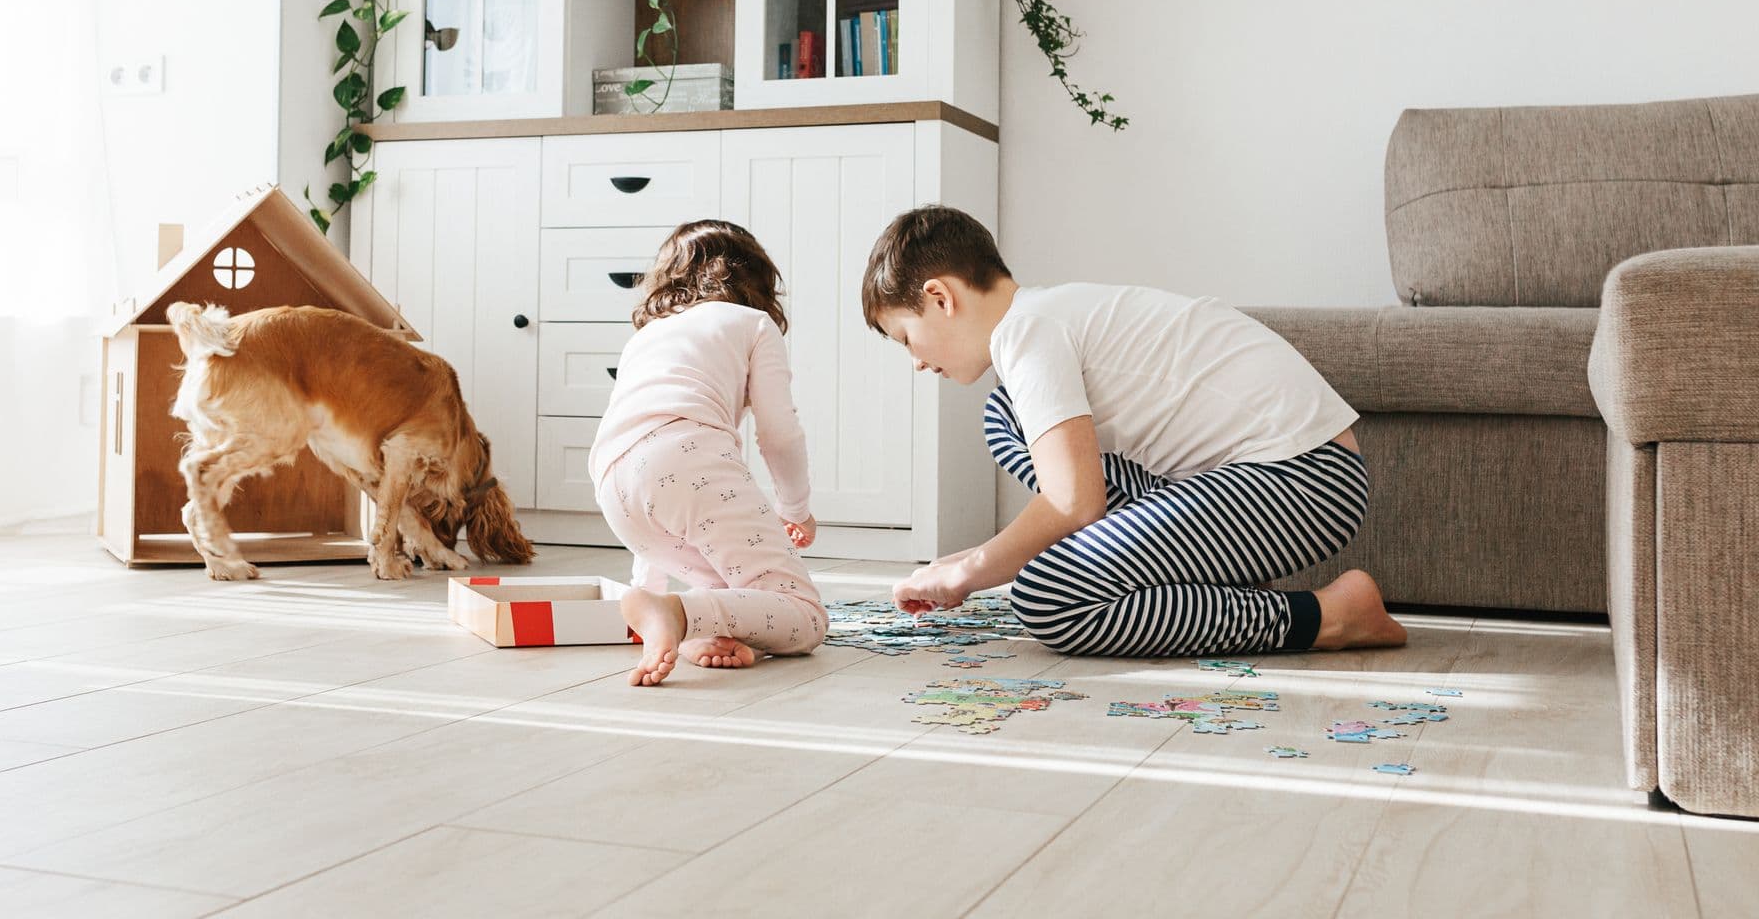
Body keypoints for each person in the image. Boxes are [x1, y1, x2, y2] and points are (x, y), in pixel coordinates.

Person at [860, 204, 1407, 657]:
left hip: (1302, 481)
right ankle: (1179, 575)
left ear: (940, 298)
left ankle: (1331, 616)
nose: (915, 362)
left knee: (1049, 597)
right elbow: (1078, 491)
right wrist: (974, 555)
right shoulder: (1047, 317)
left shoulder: (1028, 332)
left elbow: (1075, 503)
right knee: (1005, 416)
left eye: (906, 338)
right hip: (1271, 476)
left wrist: (972, 572)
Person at [590, 220, 827, 685]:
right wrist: (795, 508)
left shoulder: (645, 337)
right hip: (687, 460)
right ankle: (678, 615)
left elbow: (650, 460)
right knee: (805, 617)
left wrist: (647, 588)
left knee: (728, 584)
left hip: (611, 480)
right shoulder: (751, 323)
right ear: (757, 281)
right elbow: (779, 434)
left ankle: (688, 624)